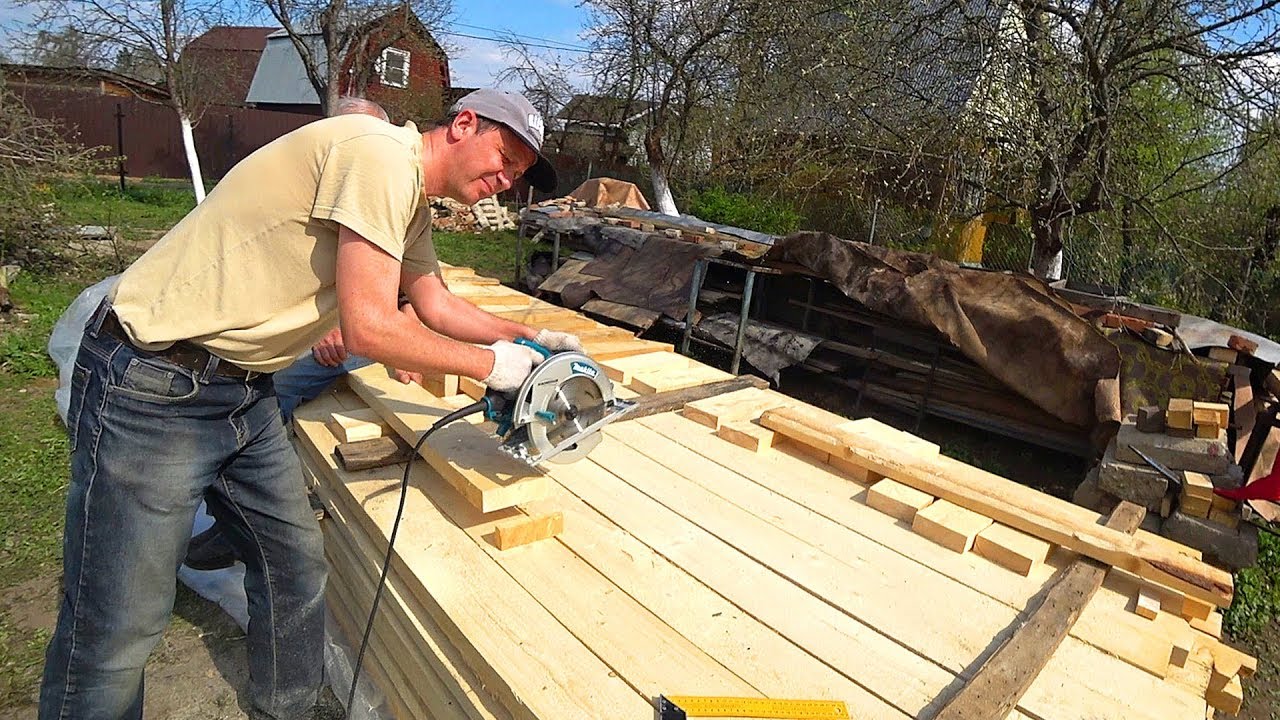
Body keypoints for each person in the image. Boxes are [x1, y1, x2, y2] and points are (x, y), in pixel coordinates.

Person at [41, 89, 577, 720]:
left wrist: (531, 340)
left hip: (242, 389)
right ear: (463, 124)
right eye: (504, 156)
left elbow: (436, 307)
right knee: (117, 625)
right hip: (155, 383)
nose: (505, 180)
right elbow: (371, 327)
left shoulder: (410, 201)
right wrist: (495, 368)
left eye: (517, 173)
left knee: (292, 568)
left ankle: (287, 709)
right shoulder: (376, 156)